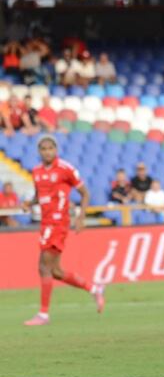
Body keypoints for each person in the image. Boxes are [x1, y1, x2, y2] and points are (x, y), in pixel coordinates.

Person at [22, 136, 105, 325]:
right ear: (39, 151)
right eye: (43, 149)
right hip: (45, 223)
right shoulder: (36, 171)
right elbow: (39, 194)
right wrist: (29, 202)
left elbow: (85, 193)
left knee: (44, 266)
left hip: (59, 223)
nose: (47, 152)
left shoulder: (65, 169)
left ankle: (43, 314)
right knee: (56, 271)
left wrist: (81, 217)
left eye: (50, 148)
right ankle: (94, 289)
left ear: (56, 149)